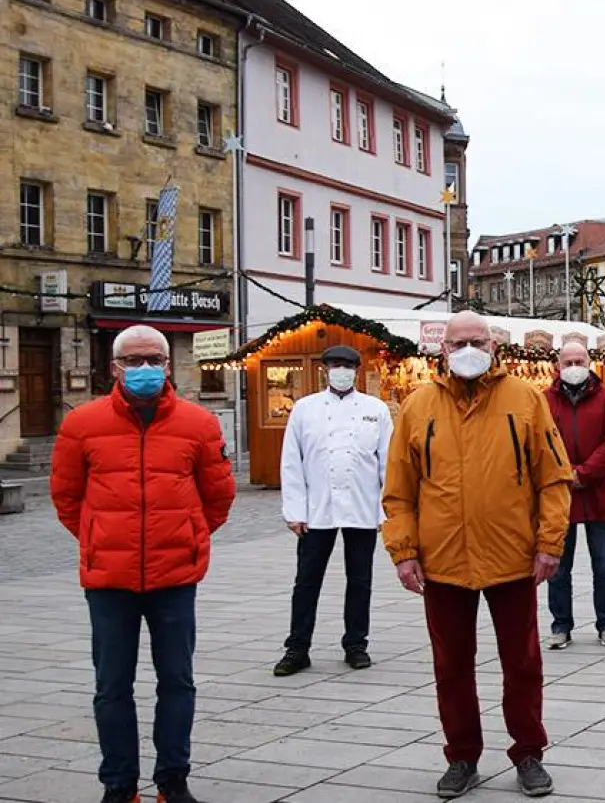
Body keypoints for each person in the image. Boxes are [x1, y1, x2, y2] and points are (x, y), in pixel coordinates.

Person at [382, 311, 573, 799]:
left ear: (493, 346)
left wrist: (550, 543)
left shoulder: (526, 400)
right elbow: (399, 491)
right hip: (442, 561)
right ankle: (461, 756)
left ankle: (528, 751)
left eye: (478, 340)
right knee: (451, 666)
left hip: (512, 557)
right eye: (459, 341)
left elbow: (553, 478)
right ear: (442, 350)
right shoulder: (417, 406)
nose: (469, 348)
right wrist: (404, 552)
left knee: (523, 662)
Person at [50, 325, 235, 803]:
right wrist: (100, 538)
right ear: (115, 367)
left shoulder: (198, 424)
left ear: (169, 364)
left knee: (177, 681)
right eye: (134, 361)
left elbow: (217, 497)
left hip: (175, 576)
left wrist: (186, 537)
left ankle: (172, 779)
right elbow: (67, 497)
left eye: (154, 358)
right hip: (109, 580)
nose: (145, 368)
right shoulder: (82, 423)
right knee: (111, 686)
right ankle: (119, 783)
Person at [274, 344, 392, 676]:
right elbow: (291, 463)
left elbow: (388, 463)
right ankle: (297, 647)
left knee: (360, 580)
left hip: (362, 506)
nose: (341, 370)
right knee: (307, 580)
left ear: (357, 370)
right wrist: (294, 510)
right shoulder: (305, 408)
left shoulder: (376, 410)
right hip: (316, 509)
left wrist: (385, 510)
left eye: (347, 365)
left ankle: (356, 644)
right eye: (335, 365)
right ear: (325, 370)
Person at [543, 340, 605, 650]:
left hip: (599, 493)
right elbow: (542, 443)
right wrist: (566, 474)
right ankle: (561, 625)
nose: (574, 368)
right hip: (560, 495)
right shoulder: (545, 401)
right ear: (558, 365)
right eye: (568, 362)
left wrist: (584, 473)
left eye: (580, 361)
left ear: (589, 362)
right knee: (558, 565)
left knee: (604, 564)